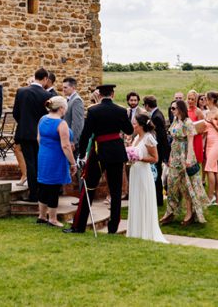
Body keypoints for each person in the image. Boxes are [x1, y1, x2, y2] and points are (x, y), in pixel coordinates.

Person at [69, 83, 133, 234]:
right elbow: (129, 130)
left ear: (99, 95)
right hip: (116, 152)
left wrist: (82, 153)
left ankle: (79, 226)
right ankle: (113, 227)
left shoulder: (93, 110)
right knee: (116, 191)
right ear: (113, 94)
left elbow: (86, 133)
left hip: (99, 152)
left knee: (89, 187)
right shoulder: (121, 110)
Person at [160, 99, 209, 226]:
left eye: (174, 108)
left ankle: (190, 213)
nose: (172, 110)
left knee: (187, 185)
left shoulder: (188, 123)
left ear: (181, 109)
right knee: (171, 184)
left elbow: (191, 142)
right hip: (175, 155)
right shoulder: (175, 121)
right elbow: (173, 141)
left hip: (185, 155)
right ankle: (170, 212)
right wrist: (170, 156)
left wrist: (189, 158)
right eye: (171, 108)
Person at [12, 66, 52, 201]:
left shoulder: (21, 91)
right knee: (40, 162)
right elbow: (48, 116)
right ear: (45, 79)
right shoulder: (47, 95)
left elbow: (15, 113)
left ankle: (33, 193)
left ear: (35, 77)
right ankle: (40, 193)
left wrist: (24, 123)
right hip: (41, 134)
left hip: (24, 133)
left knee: (30, 163)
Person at [126, 112, 167, 242]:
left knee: (143, 198)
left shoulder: (149, 138)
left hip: (144, 173)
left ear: (141, 125)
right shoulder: (136, 137)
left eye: (134, 124)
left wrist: (140, 158)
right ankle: (135, 230)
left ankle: (146, 230)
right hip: (135, 172)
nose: (133, 126)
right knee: (135, 198)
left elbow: (155, 158)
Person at [36, 95, 76, 227]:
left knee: (44, 185)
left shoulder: (43, 119)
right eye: (65, 108)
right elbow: (65, 146)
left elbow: (38, 139)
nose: (65, 110)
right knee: (53, 187)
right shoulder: (61, 123)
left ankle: (41, 216)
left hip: (43, 155)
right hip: (56, 157)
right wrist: (73, 162)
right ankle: (52, 219)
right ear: (61, 108)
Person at [142, 95, 170, 206]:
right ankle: (156, 198)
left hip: (158, 150)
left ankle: (158, 200)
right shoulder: (156, 114)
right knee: (156, 174)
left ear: (147, 105)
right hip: (158, 149)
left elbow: (162, 136)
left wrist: (164, 154)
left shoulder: (156, 117)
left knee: (157, 175)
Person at [202, 90, 218, 205]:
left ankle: (210, 196)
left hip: (217, 142)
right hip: (209, 143)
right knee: (214, 170)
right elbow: (205, 130)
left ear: (211, 100)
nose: (204, 100)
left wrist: (213, 124)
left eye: (206, 98)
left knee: (209, 169)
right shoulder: (207, 112)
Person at [62, 77, 85, 152]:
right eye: (63, 87)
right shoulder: (68, 99)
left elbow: (77, 123)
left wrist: (73, 141)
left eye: (65, 87)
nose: (63, 89)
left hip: (71, 141)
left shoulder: (76, 100)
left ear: (73, 87)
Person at [186, 90, 206, 167]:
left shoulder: (198, 111)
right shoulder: (185, 110)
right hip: (186, 139)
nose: (190, 101)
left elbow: (203, 128)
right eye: (189, 99)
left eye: (192, 99)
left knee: (194, 163)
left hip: (196, 139)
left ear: (196, 100)